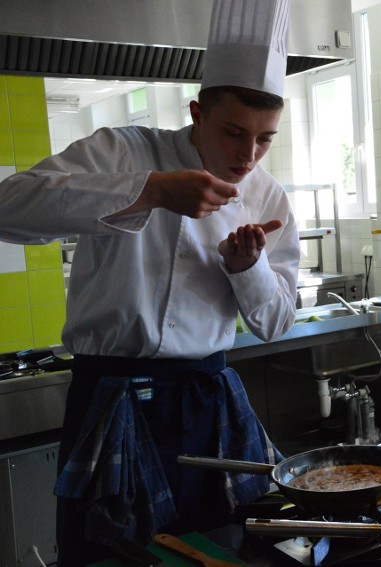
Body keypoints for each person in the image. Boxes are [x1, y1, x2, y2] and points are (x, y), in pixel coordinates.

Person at [0, 1, 297, 565]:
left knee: (221, 549)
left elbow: (276, 321)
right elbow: (8, 209)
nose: (247, 156)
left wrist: (246, 268)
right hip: (112, 399)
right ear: (196, 113)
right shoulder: (124, 151)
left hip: (209, 403)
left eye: (264, 139)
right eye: (234, 133)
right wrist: (150, 191)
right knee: (109, 554)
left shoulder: (269, 196)